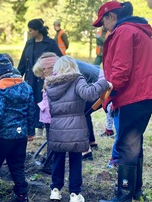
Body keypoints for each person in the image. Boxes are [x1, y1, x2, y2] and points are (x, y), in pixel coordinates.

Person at [93, 0, 152, 202]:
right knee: (134, 143)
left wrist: (106, 97)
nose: (103, 28)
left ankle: (124, 195)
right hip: (145, 93)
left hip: (137, 94)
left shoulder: (124, 32)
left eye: (103, 22)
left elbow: (120, 71)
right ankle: (135, 191)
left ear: (112, 16)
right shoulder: (135, 30)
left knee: (126, 145)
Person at [45, 55, 111, 202]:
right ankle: (75, 194)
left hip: (56, 128)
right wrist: (103, 82)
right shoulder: (77, 79)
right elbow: (88, 94)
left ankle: (55, 190)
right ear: (73, 67)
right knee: (75, 160)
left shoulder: (50, 84)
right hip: (75, 127)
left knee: (58, 159)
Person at [0, 54, 35, 202]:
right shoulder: (26, 86)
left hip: (3, 136)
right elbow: (31, 110)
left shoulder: (1, 88)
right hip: (21, 135)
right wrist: (30, 131)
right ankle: (22, 194)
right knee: (17, 165)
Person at [18, 19, 62, 137]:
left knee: (44, 103)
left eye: (31, 30)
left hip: (46, 79)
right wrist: (17, 78)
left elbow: (60, 60)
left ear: (37, 30)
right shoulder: (29, 43)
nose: (29, 32)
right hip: (30, 78)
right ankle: (33, 128)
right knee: (31, 103)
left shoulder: (51, 43)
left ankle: (44, 126)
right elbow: (23, 62)